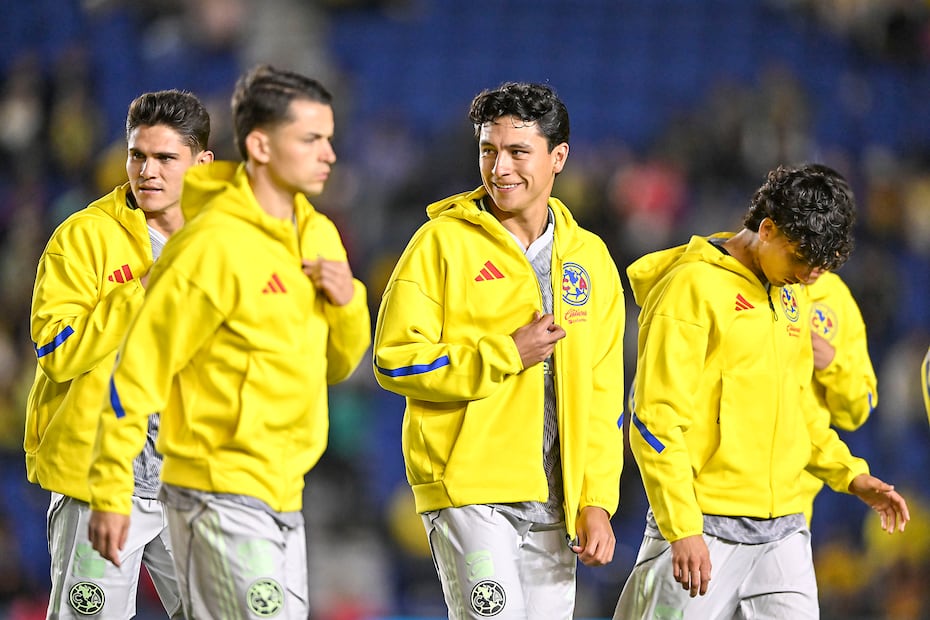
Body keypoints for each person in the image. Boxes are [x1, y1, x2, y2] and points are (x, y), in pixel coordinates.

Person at [86, 65, 371, 619]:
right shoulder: (210, 248)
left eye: (329, 138)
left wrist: (348, 303)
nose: (329, 154)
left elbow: (335, 367)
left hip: (286, 493)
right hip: (214, 492)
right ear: (260, 145)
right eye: (311, 139)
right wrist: (108, 489)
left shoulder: (318, 234)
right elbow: (137, 372)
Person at [372, 82, 626, 619]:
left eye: (517, 152)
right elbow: (395, 357)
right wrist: (505, 353)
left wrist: (597, 500)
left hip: (557, 503)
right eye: (488, 150)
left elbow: (603, 395)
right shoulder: (440, 242)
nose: (499, 167)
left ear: (558, 157)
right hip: (470, 490)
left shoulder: (591, 260)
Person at [614, 163, 910, 619]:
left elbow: (795, 415)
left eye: (819, 267)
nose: (810, 276)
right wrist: (683, 527)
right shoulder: (692, 289)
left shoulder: (792, 293)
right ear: (767, 229)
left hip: (785, 529)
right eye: (800, 260)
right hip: (704, 525)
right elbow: (655, 420)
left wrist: (851, 474)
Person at [24, 89, 213, 619]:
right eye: (138, 155)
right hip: (99, 482)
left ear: (202, 164)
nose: (147, 171)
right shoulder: (83, 239)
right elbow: (57, 351)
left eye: (165, 158)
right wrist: (140, 293)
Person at [798, 270, 878, 524]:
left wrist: (834, 364)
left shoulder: (836, 298)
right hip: (714, 494)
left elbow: (857, 411)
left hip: (795, 501)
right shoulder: (750, 283)